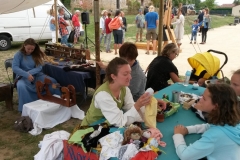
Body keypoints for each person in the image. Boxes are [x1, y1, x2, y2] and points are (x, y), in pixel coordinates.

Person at [81, 57, 165, 127]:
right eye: (125, 74)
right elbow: (119, 122)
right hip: (91, 129)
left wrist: (151, 103)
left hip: (107, 126)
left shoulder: (124, 88)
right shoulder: (103, 95)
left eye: (130, 73)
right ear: (113, 76)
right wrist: (138, 105)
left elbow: (130, 107)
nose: (130, 77)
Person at [173, 84, 240, 160]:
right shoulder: (233, 120)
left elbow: (184, 156)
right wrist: (187, 130)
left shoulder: (214, 136)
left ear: (216, 106)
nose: (200, 99)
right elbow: (209, 126)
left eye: (204, 99)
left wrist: (178, 135)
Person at [12, 38, 60, 112]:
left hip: (36, 75)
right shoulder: (18, 54)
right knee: (21, 86)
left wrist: (30, 73)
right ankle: (27, 108)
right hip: (23, 76)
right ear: (24, 45)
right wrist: (26, 75)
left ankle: (57, 101)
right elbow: (15, 68)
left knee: (52, 81)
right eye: (28, 49)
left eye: (32, 49)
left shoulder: (36, 54)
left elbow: (39, 67)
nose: (30, 51)